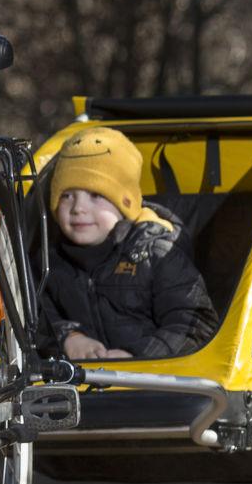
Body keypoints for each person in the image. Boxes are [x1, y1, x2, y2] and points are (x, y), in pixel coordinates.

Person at [38, 126, 220, 363]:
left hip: (152, 384)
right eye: (66, 196)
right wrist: (68, 337)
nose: (78, 208)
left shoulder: (155, 252)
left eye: (96, 195)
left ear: (124, 203)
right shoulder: (50, 260)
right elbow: (36, 315)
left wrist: (136, 356)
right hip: (84, 388)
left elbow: (196, 323)